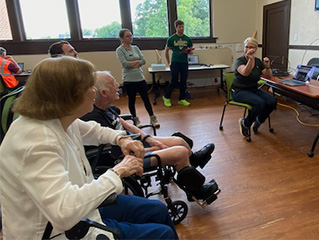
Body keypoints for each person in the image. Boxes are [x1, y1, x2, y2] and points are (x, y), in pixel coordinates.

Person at [0, 57, 178, 240]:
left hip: (84, 207)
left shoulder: (56, 117)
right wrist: (118, 172)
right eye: (89, 86)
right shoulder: (36, 141)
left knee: (158, 210)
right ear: (70, 95)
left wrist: (120, 138)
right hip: (61, 229)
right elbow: (64, 213)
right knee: (162, 234)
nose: (94, 90)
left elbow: (92, 130)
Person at [81, 71, 219, 202]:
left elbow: (130, 127)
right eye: (114, 83)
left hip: (132, 142)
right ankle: (196, 191)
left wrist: (150, 140)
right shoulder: (93, 118)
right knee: (180, 151)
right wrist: (153, 148)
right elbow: (116, 153)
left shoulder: (107, 108)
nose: (118, 85)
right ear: (103, 93)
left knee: (180, 141)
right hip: (123, 157)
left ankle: (192, 161)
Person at [232, 37, 277, 138]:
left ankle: (259, 121)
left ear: (256, 49)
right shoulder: (240, 60)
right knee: (260, 103)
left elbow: (268, 76)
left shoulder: (257, 61)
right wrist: (250, 60)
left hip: (253, 90)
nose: (248, 49)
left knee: (272, 101)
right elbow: (245, 73)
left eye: (251, 47)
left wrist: (267, 66)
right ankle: (246, 123)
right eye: (246, 47)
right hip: (239, 91)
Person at [116, 29, 160, 129]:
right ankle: (135, 119)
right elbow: (125, 64)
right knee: (132, 100)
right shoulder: (120, 50)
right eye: (127, 36)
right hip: (129, 80)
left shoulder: (135, 48)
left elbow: (143, 61)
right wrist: (137, 62)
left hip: (140, 78)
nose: (130, 37)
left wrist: (133, 63)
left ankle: (152, 117)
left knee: (146, 99)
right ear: (122, 38)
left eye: (131, 35)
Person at [163, 20, 193, 107]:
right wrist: (169, 62)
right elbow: (166, 51)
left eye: (183, 26)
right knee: (174, 81)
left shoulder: (187, 39)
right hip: (175, 62)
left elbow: (191, 51)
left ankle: (182, 99)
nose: (181, 28)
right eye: (179, 27)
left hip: (184, 62)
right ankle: (166, 97)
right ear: (176, 28)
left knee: (183, 81)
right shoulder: (171, 38)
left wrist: (188, 52)